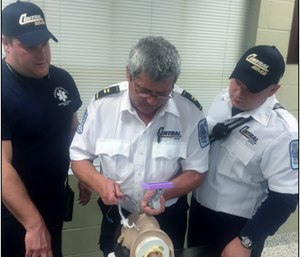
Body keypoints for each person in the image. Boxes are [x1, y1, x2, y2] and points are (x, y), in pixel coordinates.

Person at [70, 36, 210, 256]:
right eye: (144, 91)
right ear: (129, 75)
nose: (152, 100)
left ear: (173, 83)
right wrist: (99, 182)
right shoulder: (103, 106)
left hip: (167, 215)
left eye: (163, 93)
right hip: (117, 213)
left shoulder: (189, 112)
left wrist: (164, 192)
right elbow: (78, 156)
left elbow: (197, 171)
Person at [187, 45, 298, 257]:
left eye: (251, 89)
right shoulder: (222, 99)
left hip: (238, 226)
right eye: (237, 82)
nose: (238, 93)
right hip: (200, 211)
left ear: (273, 89)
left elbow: (285, 198)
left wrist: (247, 241)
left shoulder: (284, 132)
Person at [1, 1, 91, 257]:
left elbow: (74, 133)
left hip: (53, 201)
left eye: (45, 44)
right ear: (5, 43)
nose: (42, 54)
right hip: (12, 211)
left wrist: (83, 172)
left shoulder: (62, 79)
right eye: (30, 47)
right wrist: (33, 223)